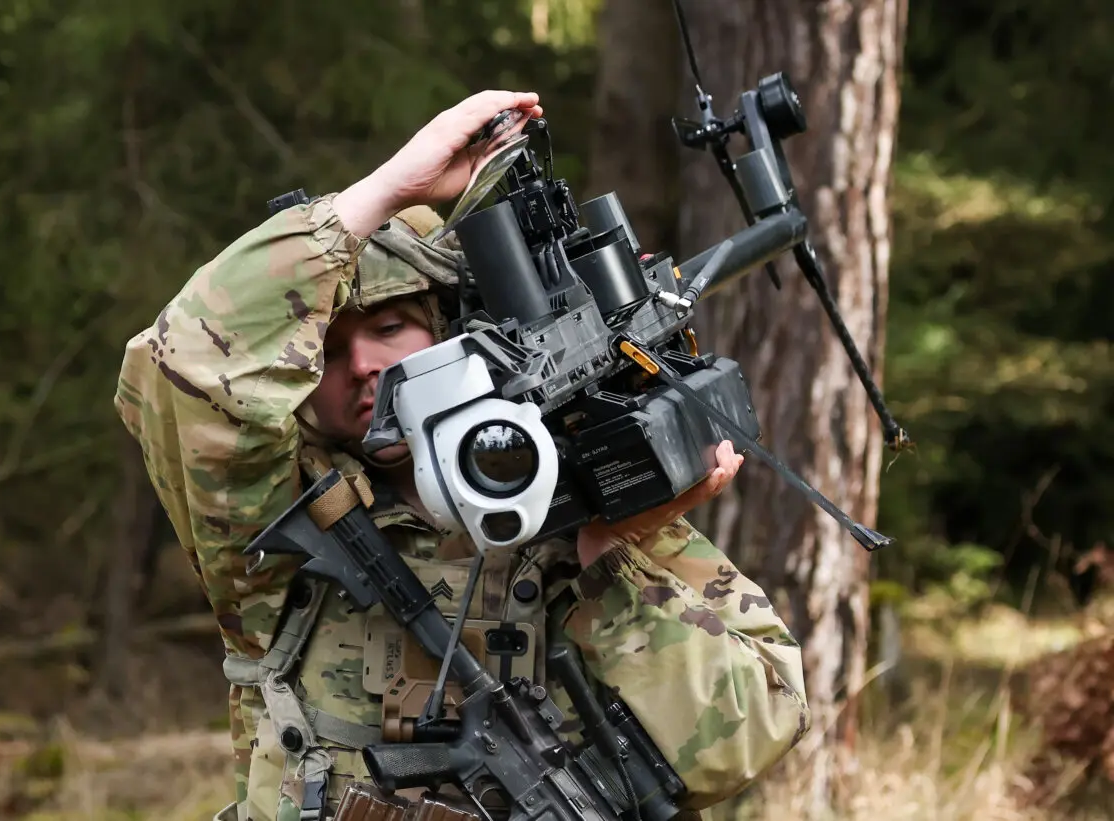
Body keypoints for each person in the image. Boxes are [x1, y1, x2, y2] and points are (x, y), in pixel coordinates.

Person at [115, 89, 810, 821]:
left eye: (388, 327)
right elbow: (185, 363)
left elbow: (750, 737)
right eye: (325, 351)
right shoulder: (272, 525)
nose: (360, 366)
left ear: (450, 327)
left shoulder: (578, 490)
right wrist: (384, 193)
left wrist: (607, 560)